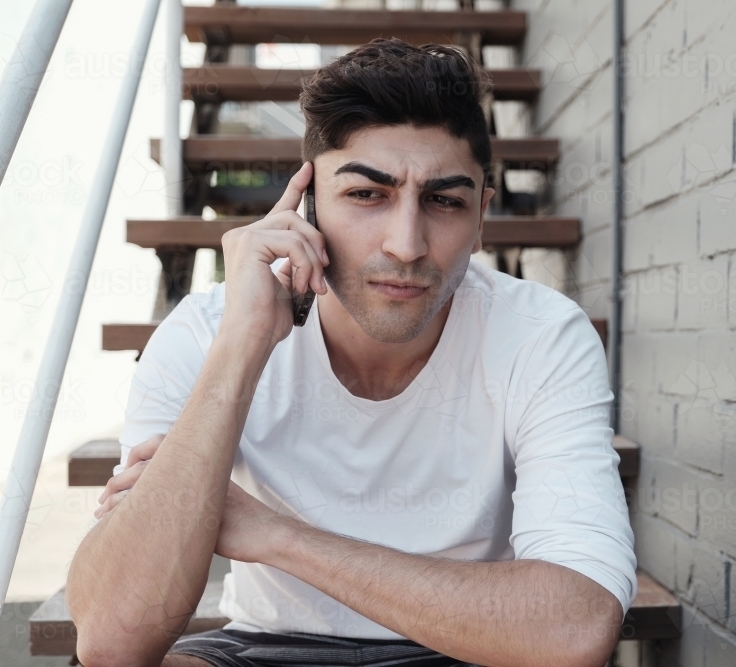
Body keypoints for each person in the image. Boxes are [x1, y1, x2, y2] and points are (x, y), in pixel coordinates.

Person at [66, 38, 636, 667]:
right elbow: (111, 639)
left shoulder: (542, 334)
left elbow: (574, 627)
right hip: (263, 648)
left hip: (467, 646)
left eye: (445, 200)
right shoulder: (210, 330)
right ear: (308, 205)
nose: (406, 244)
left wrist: (278, 537)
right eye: (368, 194)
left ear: (481, 219)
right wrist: (241, 346)